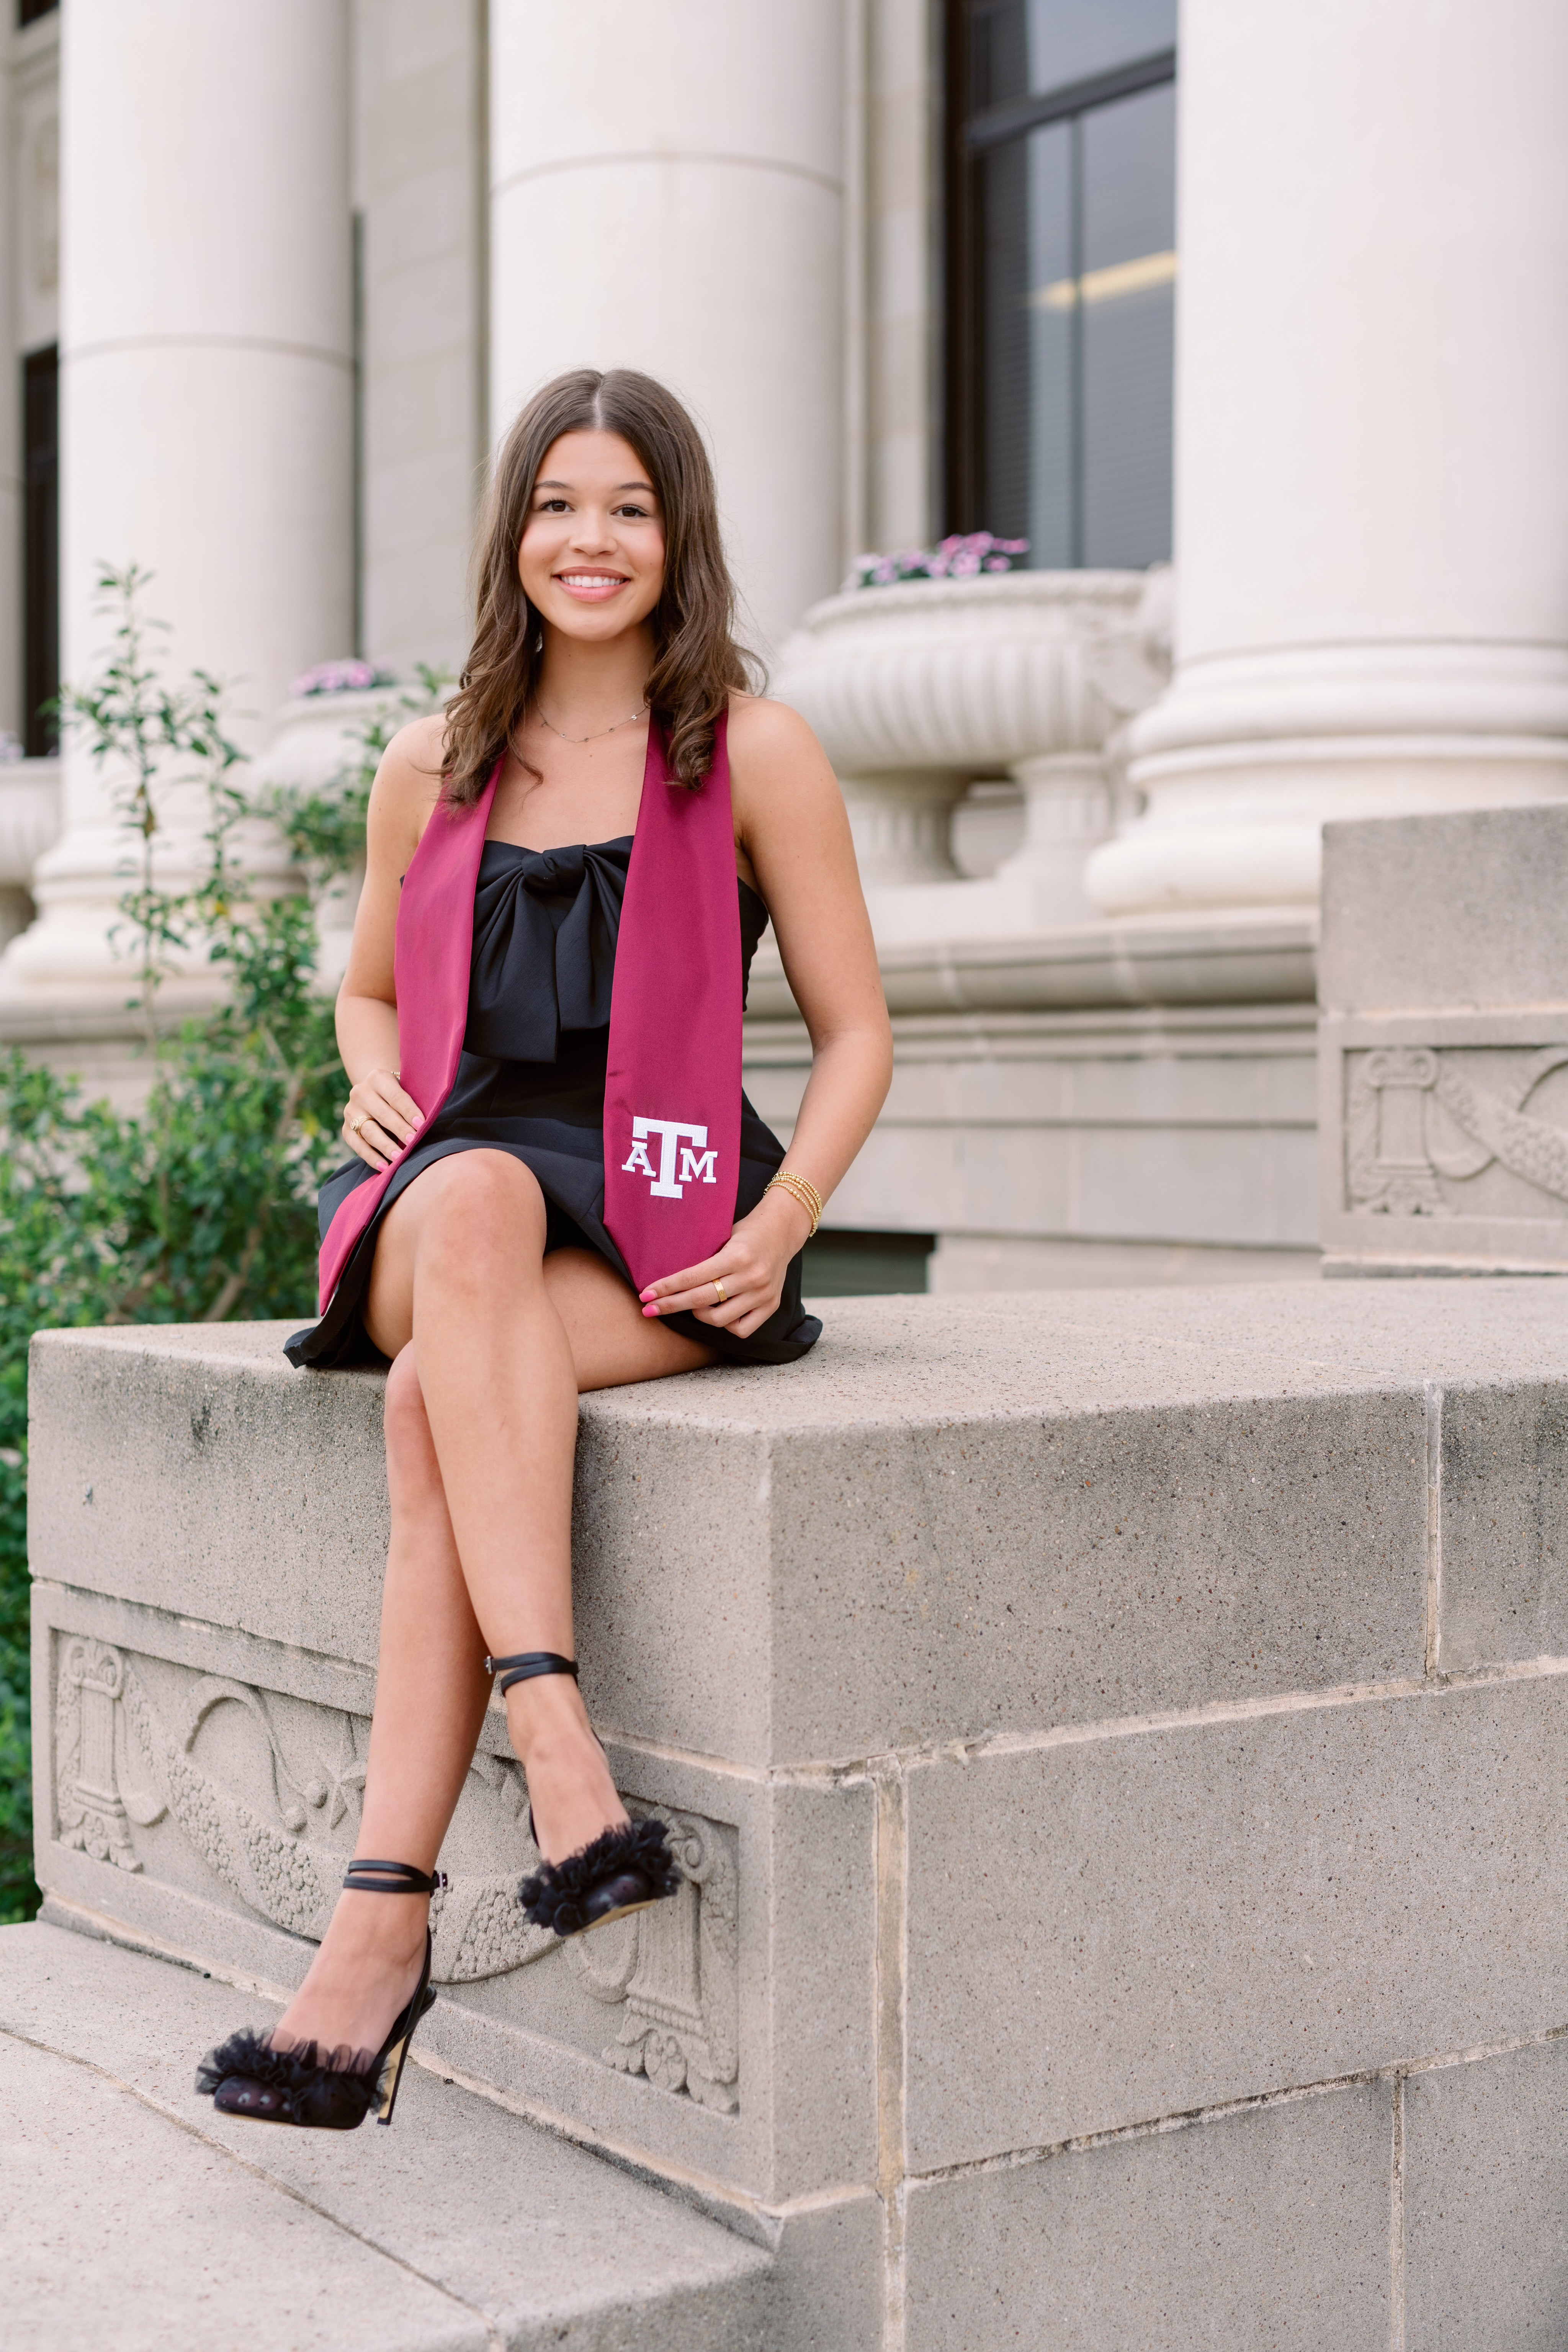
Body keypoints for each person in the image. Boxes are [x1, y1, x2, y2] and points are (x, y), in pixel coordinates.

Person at [195, 367, 893, 2131]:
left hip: (663, 1213)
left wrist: (782, 1222)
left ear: (681, 537)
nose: (591, 540)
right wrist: (369, 1085)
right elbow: (368, 988)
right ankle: (556, 1734)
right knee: (483, 1203)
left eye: (630, 508)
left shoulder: (753, 751)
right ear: (515, 530)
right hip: (452, 1191)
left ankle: (376, 1931)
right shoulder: (432, 760)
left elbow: (858, 1032)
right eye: (559, 504)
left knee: (443, 1396)